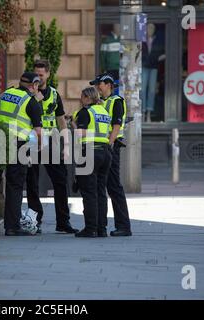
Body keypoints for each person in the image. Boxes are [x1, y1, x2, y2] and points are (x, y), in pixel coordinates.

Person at [26, 59, 78, 234]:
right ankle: (35, 221)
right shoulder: (28, 93)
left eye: (41, 75)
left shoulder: (54, 95)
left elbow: (61, 121)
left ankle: (63, 222)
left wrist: (66, 146)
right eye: (36, 75)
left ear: (48, 74)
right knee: (32, 182)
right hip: (33, 141)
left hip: (52, 142)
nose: (38, 78)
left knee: (61, 181)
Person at [0, 72, 43, 236]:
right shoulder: (32, 102)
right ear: (33, 85)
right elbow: (38, 132)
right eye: (37, 85)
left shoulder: (4, 94)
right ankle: (12, 226)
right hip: (18, 145)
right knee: (14, 185)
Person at [91, 73, 132, 237]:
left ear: (108, 84)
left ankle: (124, 226)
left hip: (111, 146)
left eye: (99, 84)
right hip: (103, 147)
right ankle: (102, 225)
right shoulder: (102, 102)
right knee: (103, 186)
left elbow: (116, 125)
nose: (97, 88)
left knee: (114, 186)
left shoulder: (117, 101)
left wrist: (109, 144)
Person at [74, 87, 112, 238]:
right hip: (105, 153)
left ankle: (90, 229)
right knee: (101, 192)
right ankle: (102, 228)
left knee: (89, 192)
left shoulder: (86, 111)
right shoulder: (103, 112)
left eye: (82, 97)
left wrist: (74, 126)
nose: (80, 99)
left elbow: (81, 133)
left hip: (90, 152)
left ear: (87, 98)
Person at [142, 23, 165, 122]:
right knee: (142, 90)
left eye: (152, 28)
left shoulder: (157, 40)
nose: (150, 30)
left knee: (151, 91)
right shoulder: (142, 41)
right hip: (144, 66)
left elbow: (163, 52)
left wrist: (160, 58)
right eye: (148, 28)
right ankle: (142, 112)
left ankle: (149, 114)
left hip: (154, 67)